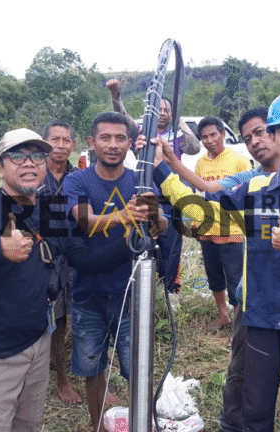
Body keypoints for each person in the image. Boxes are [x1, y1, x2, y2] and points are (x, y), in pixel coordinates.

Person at [140, 88, 280, 432]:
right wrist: (160, 172)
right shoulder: (254, 189)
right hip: (261, 320)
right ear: (273, 137)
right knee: (254, 412)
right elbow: (206, 213)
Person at [0, 128, 132, 432]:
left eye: (37, 156)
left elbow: (82, 258)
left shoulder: (49, 213)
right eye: (17, 156)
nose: (29, 163)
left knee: (27, 425)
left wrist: (131, 243)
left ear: (46, 164)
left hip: (37, 341)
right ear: (1, 166)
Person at [64, 111, 168, 432]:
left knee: (138, 367)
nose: (113, 145)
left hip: (133, 293)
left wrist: (155, 219)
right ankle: (98, 425)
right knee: (91, 367)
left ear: (130, 144)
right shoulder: (77, 180)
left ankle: (139, 423)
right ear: (92, 142)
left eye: (120, 138)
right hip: (87, 293)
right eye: (105, 138)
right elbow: (84, 219)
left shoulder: (141, 180)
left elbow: (162, 224)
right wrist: (124, 214)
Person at [106, 78, 199, 296]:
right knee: (146, 241)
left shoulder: (177, 136)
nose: (163, 113)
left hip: (172, 198)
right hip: (148, 197)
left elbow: (194, 147)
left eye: (168, 110)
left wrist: (180, 120)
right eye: (159, 109)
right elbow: (123, 120)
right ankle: (148, 291)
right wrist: (116, 97)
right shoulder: (142, 133)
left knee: (172, 246)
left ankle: (171, 291)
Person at [37, 119, 82, 405]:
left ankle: (74, 372)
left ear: (73, 145)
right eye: (55, 140)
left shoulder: (79, 177)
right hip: (41, 256)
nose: (61, 146)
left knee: (71, 314)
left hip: (74, 254)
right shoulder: (34, 175)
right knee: (52, 316)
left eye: (66, 141)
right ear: (45, 143)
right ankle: (60, 378)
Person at [193, 116, 250, 333]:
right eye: (204, 137)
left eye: (213, 135)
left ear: (223, 134)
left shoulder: (238, 161)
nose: (209, 140)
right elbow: (201, 195)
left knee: (236, 278)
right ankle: (223, 315)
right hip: (208, 228)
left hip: (232, 228)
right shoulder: (200, 164)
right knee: (214, 275)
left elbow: (246, 195)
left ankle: (239, 324)